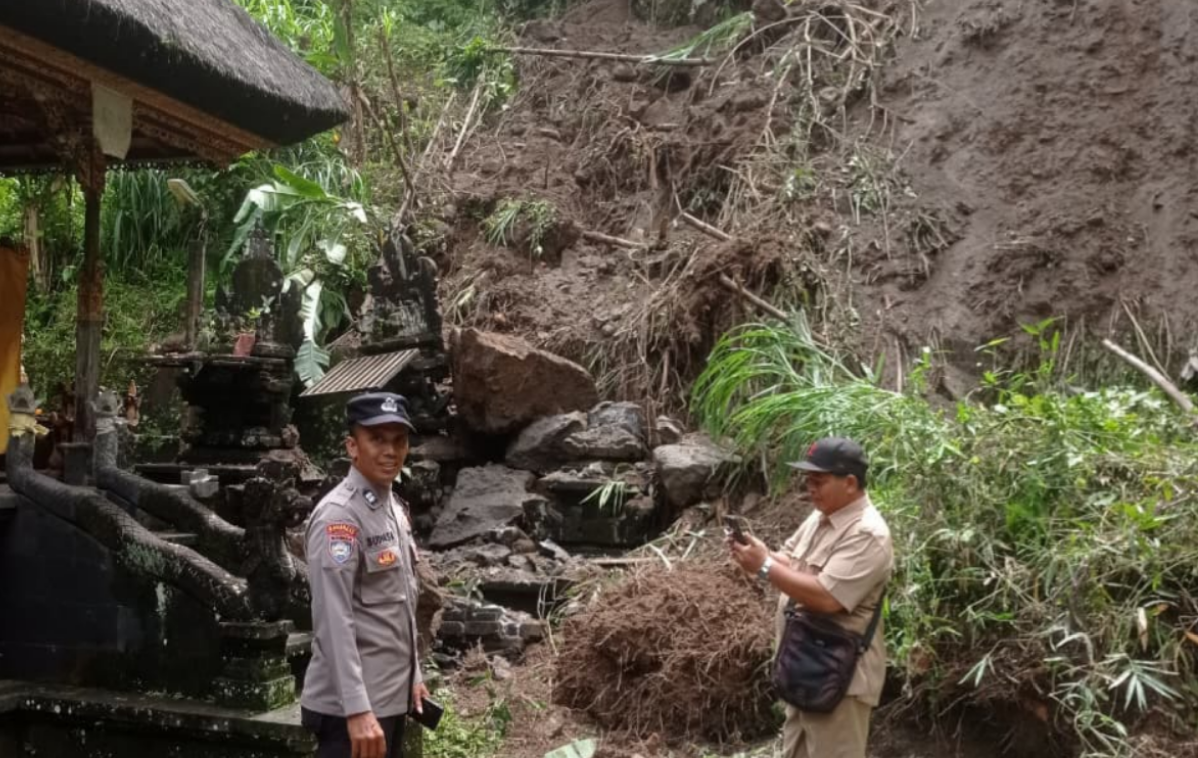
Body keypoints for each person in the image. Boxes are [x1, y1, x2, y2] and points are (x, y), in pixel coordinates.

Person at [729, 437, 893, 758]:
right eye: (808, 480)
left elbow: (827, 597)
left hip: (840, 679)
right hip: (804, 665)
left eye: (819, 481)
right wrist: (758, 554)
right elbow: (792, 563)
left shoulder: (868, 534)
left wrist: (763, 567)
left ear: (850, 483)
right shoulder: (821, 517)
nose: (810, 488)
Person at [302, 392, 429, 758]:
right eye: (377, 439)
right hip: (350, 713)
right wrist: (357, 710)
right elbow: (333, 620)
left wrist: (414, 676)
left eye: (399, 441)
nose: (390, 451)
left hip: (388, 701)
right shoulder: (340, 518)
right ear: (352, 446)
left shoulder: (392, 507)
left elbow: (401, 605)